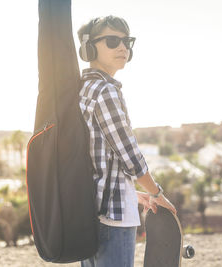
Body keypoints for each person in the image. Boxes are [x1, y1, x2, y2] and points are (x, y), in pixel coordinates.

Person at [77, 15, 177, 267]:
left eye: (127, 41)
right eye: (112, 41)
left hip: (88, 210)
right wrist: (156, 193)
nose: (123, 48)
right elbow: (130, 157)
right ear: (89, 47)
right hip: (112, 217)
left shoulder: (83, 88)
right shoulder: (105, 91)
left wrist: (131, 193)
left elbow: (98, 158)